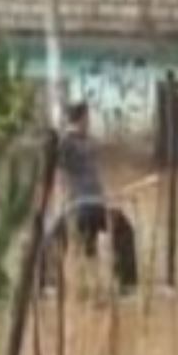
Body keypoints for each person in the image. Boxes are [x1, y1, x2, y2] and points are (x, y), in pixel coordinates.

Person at [58, 101, 108, 257]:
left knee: (93, 242)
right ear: (80, 119)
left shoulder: (87, 140)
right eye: (87, 117)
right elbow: (61, 170)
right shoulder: (67, 142)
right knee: (83, 242)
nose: (89, 121)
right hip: (81, 202)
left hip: (95, 199)